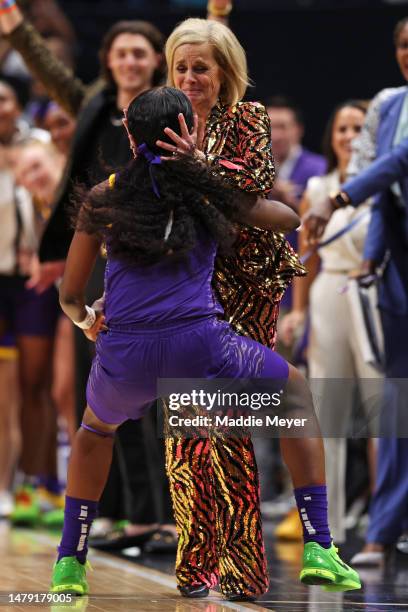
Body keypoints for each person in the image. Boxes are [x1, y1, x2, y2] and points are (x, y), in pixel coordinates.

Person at [50, 86, 360, 598]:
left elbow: (68, 295)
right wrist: (209, 172)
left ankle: (69, 561)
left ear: (129, 133)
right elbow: (288, 220)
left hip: (125, 354)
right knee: (296, 396)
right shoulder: (204, 188)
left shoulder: (105, 195)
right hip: (201, 348)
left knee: (96, 431)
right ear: (188, 132)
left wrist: (87, 318)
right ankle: (319, 544)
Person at [0, 0, 174, 542]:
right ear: (108, 60)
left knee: (148, 390)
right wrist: (11, 18)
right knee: (96, 388)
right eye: (120, 52)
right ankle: (118, 510)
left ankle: (159, 514)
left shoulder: (173, 110)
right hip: (98, 257)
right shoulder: (94, 104)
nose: (128, 61)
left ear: (155, 61)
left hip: (159, 260)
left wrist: (218, 14)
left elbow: (210, 57)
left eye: (139, 53)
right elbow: (47, 70)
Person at [161, 16, 305, 600]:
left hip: (247, 282)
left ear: (225, 72)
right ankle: (195, 557)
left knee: (224, 426)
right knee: (185, 432)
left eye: (202, 67)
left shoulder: (250, 118)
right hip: (185, 283)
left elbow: (255, 186)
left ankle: (244, 565)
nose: (192, 77)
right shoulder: (156, 120)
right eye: (182, 67)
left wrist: (196, 164)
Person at [303, 18, 408, 568]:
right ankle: (378, 530)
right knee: (389, 404)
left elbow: (399, 162)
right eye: (404, 45)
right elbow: (387, 191)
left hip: (371, 264)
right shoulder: (389, 105)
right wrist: (371, 256)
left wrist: (337, 200)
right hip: (388, 273)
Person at [281, 100, 381, 544]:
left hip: (373, 295)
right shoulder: (317, 185)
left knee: (383, 412)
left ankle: (384, 523)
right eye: (342, 128)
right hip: (327, 294)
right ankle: (327, 527)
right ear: (332, 136)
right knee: (328, 412)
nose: (349, 136)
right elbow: (308, 258)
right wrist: (299, 310)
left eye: (358, 127)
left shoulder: (384, 186)